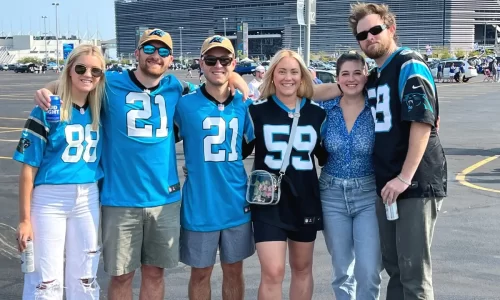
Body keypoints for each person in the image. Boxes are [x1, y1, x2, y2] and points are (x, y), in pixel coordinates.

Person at [33, 28, 249, 300]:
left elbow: (218, 81)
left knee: (155, 273)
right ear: (136, 53)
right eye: (148, 49)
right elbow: (77, 80)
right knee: (122, 276)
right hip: (121, 199)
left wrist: (238, 80)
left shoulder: (176, 87)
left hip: (164, 199)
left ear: (171, 59)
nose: (155, 56)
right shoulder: (109, 84)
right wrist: (46, 89)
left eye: (162, 51)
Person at [316, 3, 447, 299]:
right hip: (388, 185)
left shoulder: (408, 63)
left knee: (413, 272)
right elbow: (322, 90)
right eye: (363, 35)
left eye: (376, 30)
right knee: (395, 267)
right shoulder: (374, 77)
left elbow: (422, 122)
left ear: (391, 28)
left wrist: (405, 176)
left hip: (413, 182)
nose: (370, 37)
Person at [14, 44, 105, 299]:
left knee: (86, 277)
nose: (88, 74)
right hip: (49, 200)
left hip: (87, 197)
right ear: (69, 71)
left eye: (95, 70)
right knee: (45, 281)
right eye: (81, 68)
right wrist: (24, 219)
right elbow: (28, 168)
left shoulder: (101, 109)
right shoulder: (47, 110)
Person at [175, 35, 255, 300]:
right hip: (200, 203)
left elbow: (249, 146)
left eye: (225, 60)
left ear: (233, 64)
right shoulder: (184, 104)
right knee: (200, 273)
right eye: (211, 59)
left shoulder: (245, 104)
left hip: (235, 201)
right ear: (201, 63)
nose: (218, 65)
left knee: (234, 270)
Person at [246, 49, 327, 300]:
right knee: (273, 271)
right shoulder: (256, 111)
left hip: (305, 200)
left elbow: (326, 156)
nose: (288, 77)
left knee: (302, 268)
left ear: (303, 76)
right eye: (282, 71)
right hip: (268, 201)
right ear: (272, 75)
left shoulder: (318, 113)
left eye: (294, 72)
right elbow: (236, 150)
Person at [319, 52, 382, 300]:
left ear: (367, 74)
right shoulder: (326, 108)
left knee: (368, 271)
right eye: (345, 74)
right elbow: (300, 91)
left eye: (358, 72)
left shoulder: (378, 108)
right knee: (342, 271)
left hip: (368, 194)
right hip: (331, 195)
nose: (352, 79)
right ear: (337, 78)